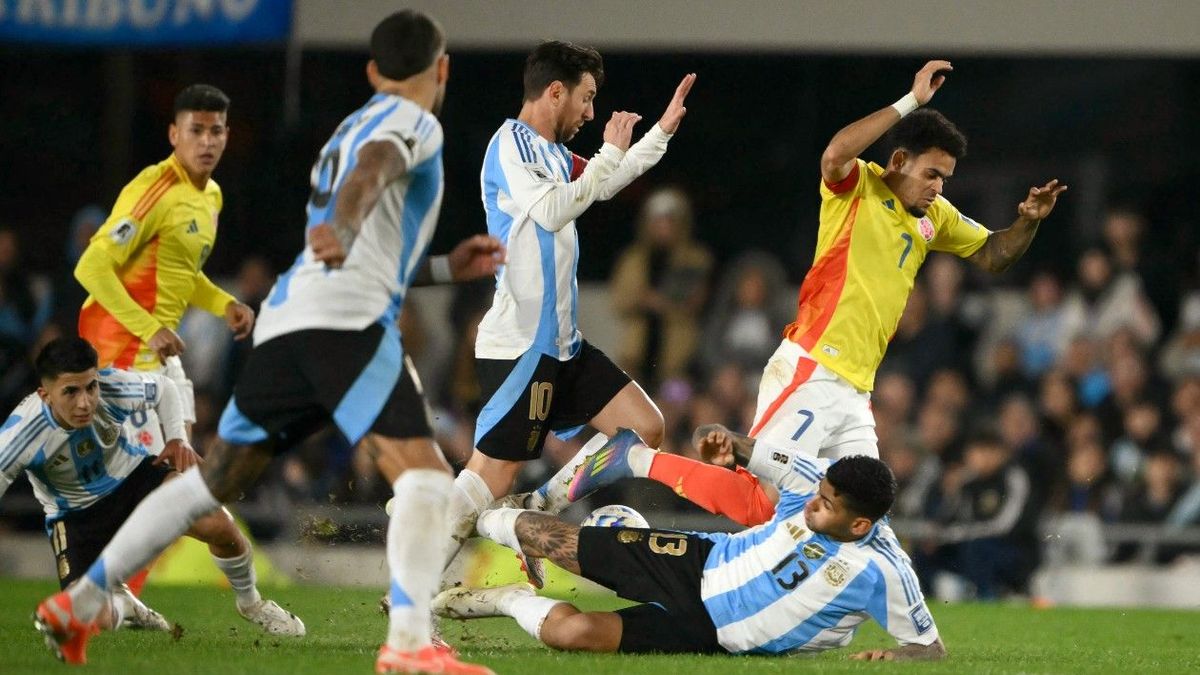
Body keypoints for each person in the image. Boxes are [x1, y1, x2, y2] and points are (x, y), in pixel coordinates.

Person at [35, 11, 502, 675]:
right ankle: (407, 641)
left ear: (371, 72)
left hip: (287, 319)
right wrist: (343, 222)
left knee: (216, 479)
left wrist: (441, 268)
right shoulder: (413, 121)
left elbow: (367, 234)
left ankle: (80, 601)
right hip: (345, 322)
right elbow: (374, 171)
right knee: (427, 479)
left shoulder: (347, 125)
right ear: (443, 68)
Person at [443, 42, 696, 586]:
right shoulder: (510, 144)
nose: (589, 112)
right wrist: (607, 153)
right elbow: (558, 209)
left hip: (564, 344)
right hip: (521, 347)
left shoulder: (553, 155)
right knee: (487, 476)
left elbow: (605, 181)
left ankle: (539, 503)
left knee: (646, 427)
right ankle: (411, 593)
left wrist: (661, 134)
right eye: (585, 99)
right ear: (554, 91)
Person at [749, 60, 1066, 462]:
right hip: (811, 365)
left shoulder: (936, 216)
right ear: (899, 161)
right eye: (931, 174)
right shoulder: (859, 186)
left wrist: (1028, 221)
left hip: (856, 390)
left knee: (861, 508)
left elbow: (993, 255)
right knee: (764, 492)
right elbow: (834, 155)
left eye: (944, 179)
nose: (938, 187)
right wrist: (911, 102)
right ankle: (645, 461)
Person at [436, 451, 945, 661]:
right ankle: (472, 516)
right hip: (696, 563)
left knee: (574, 635)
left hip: (709, 638)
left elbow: (929, 648)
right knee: (560, 545)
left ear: (860, 524)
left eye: (827, 504)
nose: (814, 501)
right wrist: (732, 447)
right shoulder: (810, 488)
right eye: (820, 491)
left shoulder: (884, 570)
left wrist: (895, 655)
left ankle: (506, 600)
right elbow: (765, 453)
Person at [7, 338, 302, 641]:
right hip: (76, 516)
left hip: (135, 479)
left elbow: (165, 389)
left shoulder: (112, 387)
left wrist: (177, 439)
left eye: (90, 387)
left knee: (220, 525)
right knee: (97, 616)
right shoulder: (20, 434)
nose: (85, 402)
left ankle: (252, 604)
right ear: (45, 395)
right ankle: (128, 607)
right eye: (70, 391)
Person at [74, 83, 256, 453]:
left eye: (215, 131)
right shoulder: (155, 189)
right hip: (121, 351)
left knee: (181, 477)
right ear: (175, 134)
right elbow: (90, 267)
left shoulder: (211, 196)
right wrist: (150, 328)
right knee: (161, 480)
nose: (206, 142)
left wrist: (225, 305)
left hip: (158, 352)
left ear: (227, 136)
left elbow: (180, 273)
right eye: (196, 131)